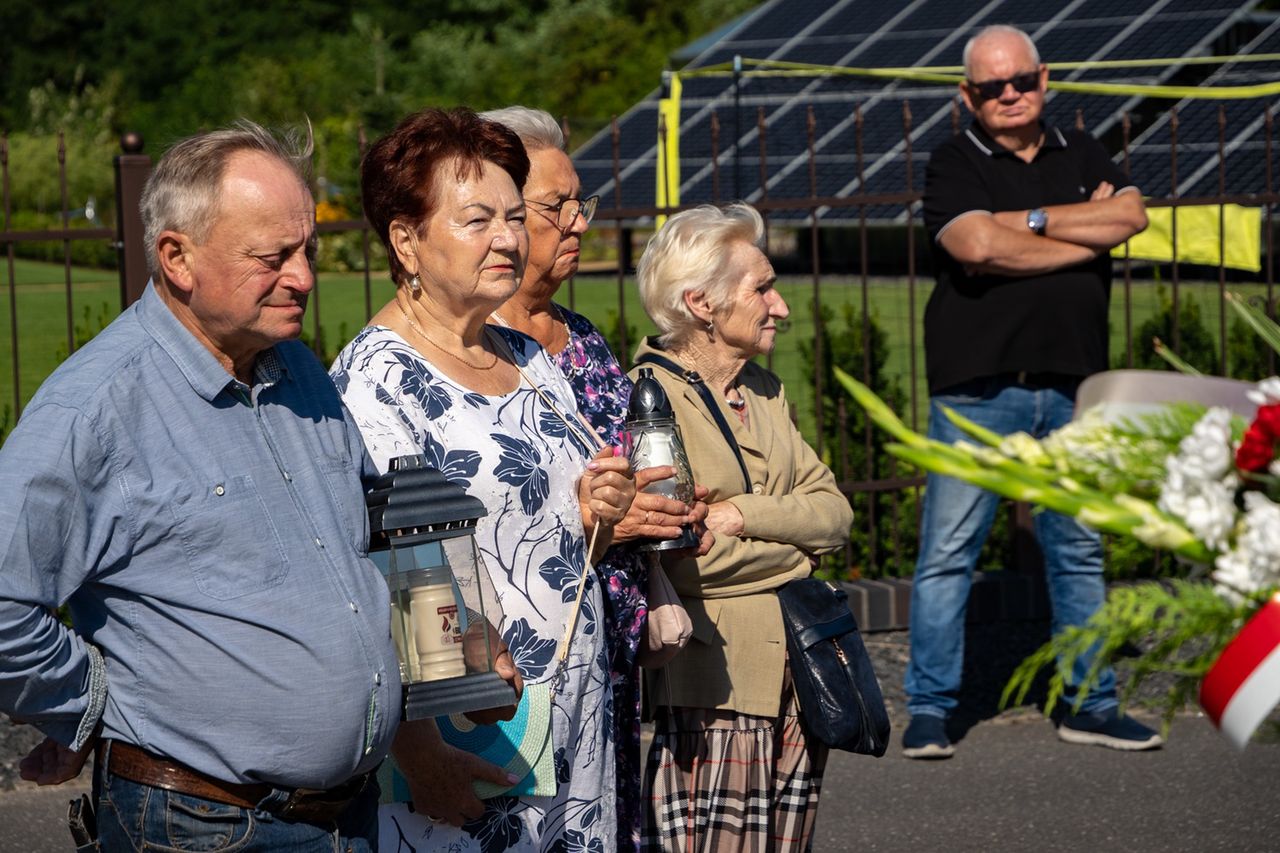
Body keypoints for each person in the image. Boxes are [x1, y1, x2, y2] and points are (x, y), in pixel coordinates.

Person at [0, 121, 401, 850]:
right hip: (202, 825)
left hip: (347, 816)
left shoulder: (296, 367)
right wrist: (87, 706)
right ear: (176, 258)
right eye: (272, 256)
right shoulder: (95, 411)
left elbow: (360, 537)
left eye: (306, 250)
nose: (304, 277)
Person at [331, 106, 636, 851]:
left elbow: (546, 518)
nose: (508, 237)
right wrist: (421, 753)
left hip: (574, 723)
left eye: (511, 215)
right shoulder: (377, 384)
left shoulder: (526, 355)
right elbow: (389, 585)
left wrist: (597, 504)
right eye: (476, 219)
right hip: (468, 741)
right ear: (406, 238)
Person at [905, 24, 1158, 759]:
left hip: (1074, 390)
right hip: (977, 393)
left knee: (1078, 552)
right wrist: (1083, 234)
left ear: (1045, 78)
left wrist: (1026, 226)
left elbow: (1133, 214)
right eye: (991, 87)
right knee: (949, 553)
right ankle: (931, 708)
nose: (1009, 95)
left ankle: (1090, 702)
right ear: (967, 95)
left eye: (1021, 80)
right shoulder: (954, 160)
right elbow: (973, 246)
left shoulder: (1082, 150)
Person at [479, 105, 710, 853]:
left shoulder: (581, 339)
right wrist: (610, 519)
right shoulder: (480, 355)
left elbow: (640, 463)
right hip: (527, 668)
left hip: (611, 656)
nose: (579, 222)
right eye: (557, 207)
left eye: (583, 203)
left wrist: (668, 508)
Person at [630, 203, 854, 852]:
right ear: (702, 302)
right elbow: (682, 562)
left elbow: (835, 512)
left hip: (798, 680)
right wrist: (797, 554)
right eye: (762, 288)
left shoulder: (763, 390)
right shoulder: (650, 398)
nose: (779, 306)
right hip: (715, 689)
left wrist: (742, 515)